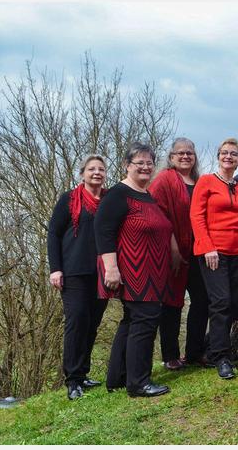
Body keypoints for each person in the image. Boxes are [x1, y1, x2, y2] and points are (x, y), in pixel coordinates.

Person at [95, 143, 173, 397]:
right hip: (134, 270)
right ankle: (139, 383)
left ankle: (117, 377)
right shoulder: (118, 194)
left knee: (131, 320)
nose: (145, 167)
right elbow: (103, 231)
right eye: (139, 163)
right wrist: (111, 268)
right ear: (127, 165)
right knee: (145, 321)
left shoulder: (146, 195)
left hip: (153, 270)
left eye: (149, 163)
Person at [190, 137, 238, 380]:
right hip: (214, 253)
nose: (229, 157)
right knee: (221, 301)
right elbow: (196, 216)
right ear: (218, 156)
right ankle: (221, 357)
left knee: (235, 302)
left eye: (233, 154)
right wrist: (207, 247)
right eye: (225, 153)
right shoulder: (206, 181)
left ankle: (212, 345)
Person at [47, 154, 108, 400]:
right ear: (82, 173)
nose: (97, 173)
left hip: (102, 272)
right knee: (77, 321)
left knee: (92, 323)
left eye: (101, 169)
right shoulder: (69, 199)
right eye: (91, 169)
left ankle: (82, 373)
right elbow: (54, 234)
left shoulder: (109, 200)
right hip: (74, 271)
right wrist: (55, 268)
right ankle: (72, 380)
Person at [149, 137, 206, 371]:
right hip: (173, 251)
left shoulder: (200, 181)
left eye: (189, 153)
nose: (185, 156)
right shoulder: (164, 180)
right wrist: (172, 246)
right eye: (180, 153)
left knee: (202, 300)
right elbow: (157, 215)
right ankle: (170, 355)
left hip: (198, 251)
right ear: (171, 157)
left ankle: (194, 352)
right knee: (172, 302)